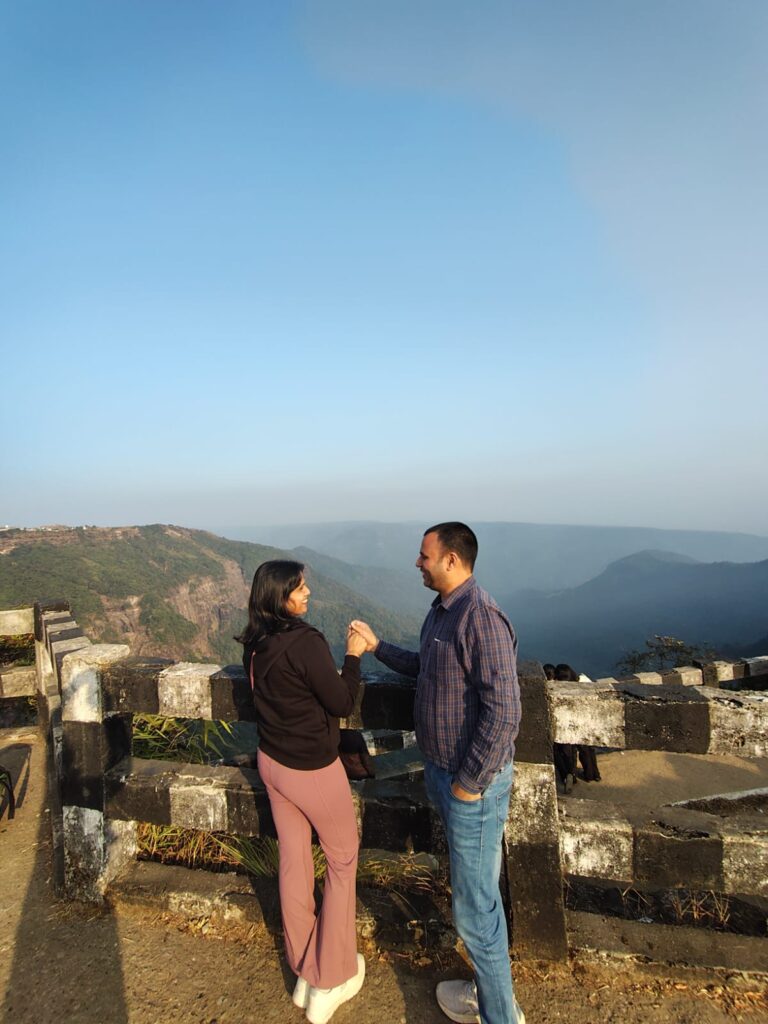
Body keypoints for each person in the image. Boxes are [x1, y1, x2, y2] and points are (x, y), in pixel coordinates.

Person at [351, 522, 524, 1024]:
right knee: (480, 895)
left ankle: (501, 1016)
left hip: (471, 786)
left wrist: (469, 783)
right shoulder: (443, 613)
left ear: (452, 560)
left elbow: (505, 712)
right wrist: (378, 646)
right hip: (447, 775)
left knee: (476, 912)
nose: (417, 563)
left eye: (425, 556)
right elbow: (428, 666)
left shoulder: (480, 617)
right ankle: (490, 993)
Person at [237, 560, 366, 1024]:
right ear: (280, 597)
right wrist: (353, 655)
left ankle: (305, 972)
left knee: (293, 861)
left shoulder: (256, 643)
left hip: (272, 764)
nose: (308, 592)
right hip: (311, 768)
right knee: (342, 857)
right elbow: (341, 701)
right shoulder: (306, 643)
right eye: (299, 588)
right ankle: (331, 977)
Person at [553, 663, 601, 783]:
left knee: (569, 752)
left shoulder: (561, 689)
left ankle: (571, 776)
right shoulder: (585, 681)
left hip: (570, 724)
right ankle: (593, 775)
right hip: (588, 721)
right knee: (587, 750)